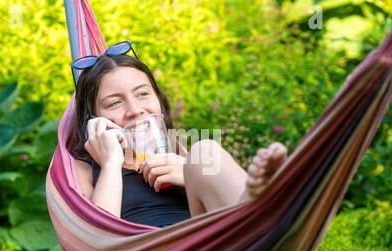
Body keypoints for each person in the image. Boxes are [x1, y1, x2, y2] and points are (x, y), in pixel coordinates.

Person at [66, 43, 287, 228]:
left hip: (214, 244)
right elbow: (98, 238)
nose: (135, 109)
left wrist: (187, 172)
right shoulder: (84, 169)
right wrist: (111, 163)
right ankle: (256, 207)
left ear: (158, 100)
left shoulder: (177, 148)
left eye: (143, 93)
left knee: (205, 150)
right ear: (93, 119)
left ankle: (256, 206)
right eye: (115, 102)